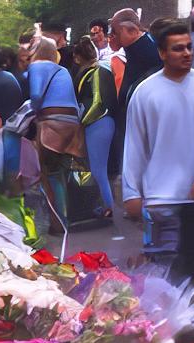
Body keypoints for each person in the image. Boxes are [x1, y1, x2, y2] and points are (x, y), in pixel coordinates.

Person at [123, 22, 194, 285]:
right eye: (178, 48)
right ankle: (169, 325)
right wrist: (131, 192)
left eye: (189, 47)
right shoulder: (144, 92)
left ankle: (193, 324)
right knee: (162, 274)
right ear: (162, 53)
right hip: (160, 199)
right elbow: (135, 145)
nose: (186, 53)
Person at [28, 36, 84, 228]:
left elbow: (35, 95)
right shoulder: (63, 70)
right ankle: (68, 216)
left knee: (49, 172)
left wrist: (31, 111)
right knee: (61, 171)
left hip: (51, 123)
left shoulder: (37, 66)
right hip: (72, 124)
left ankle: (59, 221)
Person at [74, 36, 119, 218]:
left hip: (99, 121)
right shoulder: (96, 70)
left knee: (98, 169)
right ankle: (105, 206)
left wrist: (82, 122)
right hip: (99, 122)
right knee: (97, 168)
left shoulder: (97, 71)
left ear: (78, 57)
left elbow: (98, 101)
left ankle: (108, 208)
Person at [110, 8, 162, 110]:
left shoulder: (149, 50)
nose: (112, 36)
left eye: (115, 31)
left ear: (132, 30)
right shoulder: (134, 47)